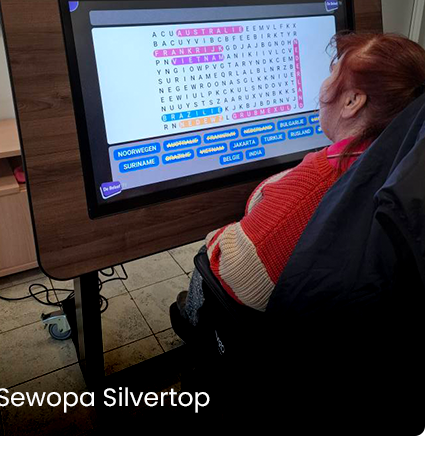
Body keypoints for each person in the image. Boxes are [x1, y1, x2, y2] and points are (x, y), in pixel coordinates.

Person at [175, 31, 425, 327]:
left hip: (286, 328)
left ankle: (190, 321)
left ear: (352, 101)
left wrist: (218, 239)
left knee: (205, 259)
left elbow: (239, 274)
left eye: (333, 73)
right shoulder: (408, 163)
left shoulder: (318, 183)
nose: (323, 85)